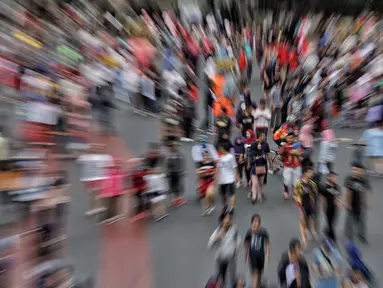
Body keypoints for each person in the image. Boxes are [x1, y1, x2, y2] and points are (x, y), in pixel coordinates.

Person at [208, 209, 241, 286]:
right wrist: (217, 238)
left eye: (230, 218)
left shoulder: (234, 229)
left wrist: (237, 247)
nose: (228, 220)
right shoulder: (217, 231)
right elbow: (209, 245)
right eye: (226, 218)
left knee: (231, 279)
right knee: (221, 279)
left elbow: (238, 238)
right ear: (222, 220)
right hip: (220, 259)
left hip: (231, 258)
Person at [343, 162, 371, 243]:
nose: (359, 172)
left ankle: (361, 235)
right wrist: (346, 203)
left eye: (360, 171)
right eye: (357, 170)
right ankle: (349, 235)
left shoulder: (363, 179)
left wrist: (367, 201)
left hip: (359, 203)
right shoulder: (349, 179)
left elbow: (368, 190)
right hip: (351, 202)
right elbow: (346, 191)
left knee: (361, 220)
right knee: (350, 220)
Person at [293, 166, 318, 249]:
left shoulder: (312, 184)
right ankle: (304, 239)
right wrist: (296, 199)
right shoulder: (298, 183)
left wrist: (315, 203)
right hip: (302, 205)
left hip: (310, 205)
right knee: (302, 220)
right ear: (305, 173)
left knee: (313, 219)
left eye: (312, 172)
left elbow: (315, 194)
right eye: (310, 172)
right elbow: (295, 194)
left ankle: (313, 231)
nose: (311, 174)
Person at [244, 214, 270, 288]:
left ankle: (257, 285)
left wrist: (267, 257)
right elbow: (246, 245)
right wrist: (245, 257)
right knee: (255, 274)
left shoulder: (263, 232)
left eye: (257, 224)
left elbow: (267, 244)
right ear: (251, 224)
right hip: (253, 257)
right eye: (254, 224)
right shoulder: (249, 232)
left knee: (259, 274)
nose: (255, 226)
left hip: (261, 256)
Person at [217, 142, 241, 212]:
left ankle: (232, 207)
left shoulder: (230, 157)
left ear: (223, 148)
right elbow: (218, 168)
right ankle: (225, 205)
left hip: (230, 178)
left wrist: (237, 177)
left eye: (220, 147)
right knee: (223, 194)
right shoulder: (220, 157)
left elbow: (234, 167)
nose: (219, 149)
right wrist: (217, 179)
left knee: (231, 193)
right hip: (222, 179)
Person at [319, 171, 341, 242]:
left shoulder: (336, 186)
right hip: (328, 208)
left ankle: (326, 231)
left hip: (335, 208)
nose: (336, 179)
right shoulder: (325, 187)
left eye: (336, 177)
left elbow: (337, 196)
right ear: (329, 177)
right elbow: (322, 198)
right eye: (334, 177)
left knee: (332, 222)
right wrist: (321, 208)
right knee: (330, 223)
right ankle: (332, 237)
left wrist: (338, 202)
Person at [279, 132, 302, 200]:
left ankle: (295, 193)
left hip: (297, 165)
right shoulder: (285, 145)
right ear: (286, 138)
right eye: (289, 138)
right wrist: (283, 148)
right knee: (287, 180)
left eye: (292, 138)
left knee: (296, 181)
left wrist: (296, 152)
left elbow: (300, 153)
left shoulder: (297, 144)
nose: (290, 139)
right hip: (288, 165)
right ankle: (286, 190)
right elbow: (280, 153)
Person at [166, 142, 186, 207]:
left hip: (178, 172)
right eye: (169, 147)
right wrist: (167, 172)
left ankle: (179, 199)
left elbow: (181, 164)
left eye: (172, 146)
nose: (170, 148)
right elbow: (167, 165)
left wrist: (182, 171)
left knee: (178, 186)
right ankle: (172, 201)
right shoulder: (169, 155)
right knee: (170, 187)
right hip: (171, 173)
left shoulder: (179, 154)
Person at [198, 151, 217, 216]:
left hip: (210, 180)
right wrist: (204, 172)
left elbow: (215, 171)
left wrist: (210, 172)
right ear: (203, 156)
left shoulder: (212, 163)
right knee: (204, 196)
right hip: (203, 181)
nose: (206, 157)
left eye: (207, 155)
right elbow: (198, 172)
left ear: (209, 156)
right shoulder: (200, 163)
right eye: (204, 155)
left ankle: (210, 204)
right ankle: (206, 208)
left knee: (209, 194)